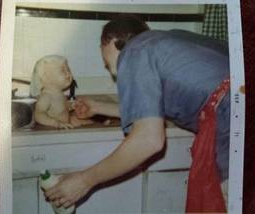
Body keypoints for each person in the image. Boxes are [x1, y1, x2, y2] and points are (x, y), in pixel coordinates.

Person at [45, 14, 230, 211]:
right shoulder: (169, 40)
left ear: (113, 41)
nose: (111, 72)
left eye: (107, 65)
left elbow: (148, 140)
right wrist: (99, 107)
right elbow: (151, 111)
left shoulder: (134, 51)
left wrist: (83, 181)